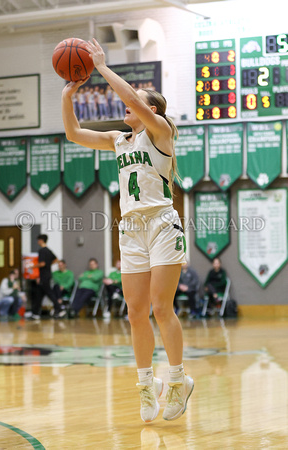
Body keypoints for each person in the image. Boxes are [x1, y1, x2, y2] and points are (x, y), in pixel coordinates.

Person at [61, 38, 194, 423]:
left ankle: (178, 380)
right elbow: (73, 134)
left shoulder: (161, 131)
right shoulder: (119, 141)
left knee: (160, 306)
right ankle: (145, 386)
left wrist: (101, 68)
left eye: (135, 100)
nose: (126, 104)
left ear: (150, 109)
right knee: (135, 312)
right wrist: (69, 95)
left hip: (161, 223)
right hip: (131, 228)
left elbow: (134, 102)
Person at [25, 234, 66, 320]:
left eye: (38, 240)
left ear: (41, 240)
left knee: (49, 293)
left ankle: (59, 308)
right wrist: (49, 264)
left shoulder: (42, 251)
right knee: (38, 294)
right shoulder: (49, 250)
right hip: (47, 275)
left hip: (44, 276)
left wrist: (32, 267)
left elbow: (42, 263)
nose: (38, 242)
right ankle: (35, 313)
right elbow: (56, 259)